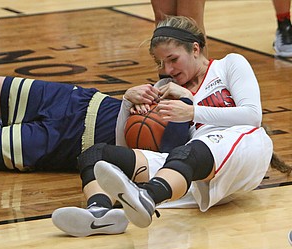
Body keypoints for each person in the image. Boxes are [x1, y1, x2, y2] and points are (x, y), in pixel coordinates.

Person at [52, 16, 274, 237]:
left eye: (173, 59)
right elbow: (136, 147)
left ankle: (147, 197)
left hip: (246, 147)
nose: (167, 69)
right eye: (160, 63)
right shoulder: (164, 88)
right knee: (97, 155)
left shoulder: (229, 65)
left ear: (195, 49)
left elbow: (253, 116)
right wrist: (127, 104)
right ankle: (99, 213)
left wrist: (191, 108)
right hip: (189, 169)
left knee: (194, 148)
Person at [0, 75, 165, 172]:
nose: (168, 68)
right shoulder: (176, 82)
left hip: (65, 144)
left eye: (172, 60)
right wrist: (136, 97)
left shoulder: (190, 150)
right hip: (71, 99)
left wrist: (126, 108)